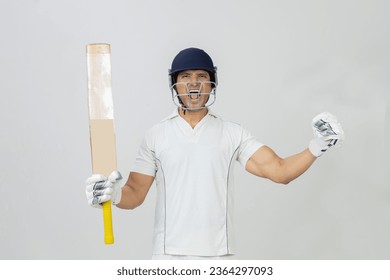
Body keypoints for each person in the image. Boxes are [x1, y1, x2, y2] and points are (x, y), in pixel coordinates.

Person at [85, 47, 344, 260]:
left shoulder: (233, 133)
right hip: (167, 258)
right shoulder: (156, 135)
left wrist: (318, 145)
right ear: (174, 84)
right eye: (185, 76)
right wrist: (114, 194)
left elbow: (280, 172)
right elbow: (135, 193)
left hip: (220, 258)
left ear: (211, 83)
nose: (194, 83)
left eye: (201, 75)